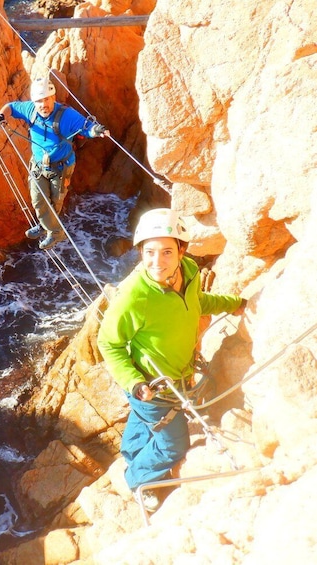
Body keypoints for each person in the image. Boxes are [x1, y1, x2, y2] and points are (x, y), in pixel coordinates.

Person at [97, 208, 246, 511]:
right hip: (152, 386)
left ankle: (132, 453)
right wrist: (134, 382)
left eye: (167, 252)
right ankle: (139, 480)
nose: (157, 262)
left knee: (141, 421)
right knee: (174, 445)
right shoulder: (134, 295)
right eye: (149, 252)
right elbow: (109, 343)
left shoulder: (189, 272)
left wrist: (232, 304)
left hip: (173, 376)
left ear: (182, 250)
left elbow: (197, 301)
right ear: (140, 252)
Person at [0, 76, 109, 250]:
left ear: (53, 98)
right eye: (39, 101)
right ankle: (52, 230)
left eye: (47, 99)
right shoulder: (30, 110)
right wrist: (1, 115)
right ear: (34, 101)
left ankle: (50, 228)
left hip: (61, 167)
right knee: (38, 200)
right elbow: (10, 107)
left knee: (55, 202)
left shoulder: (66, 115)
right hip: (39, 166)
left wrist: (97, 130)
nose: (43, 104)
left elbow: (86, 126)